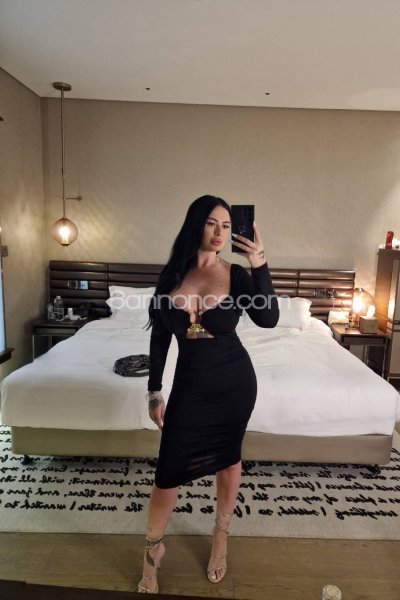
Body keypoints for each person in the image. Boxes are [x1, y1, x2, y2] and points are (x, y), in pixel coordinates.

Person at [138, 195, 279, 594]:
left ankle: (220, 536)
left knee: (228, 461)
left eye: (226, 225)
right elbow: (160, 338)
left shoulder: (237, 276)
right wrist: (154, 391)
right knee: (167, 474)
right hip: (190, 387)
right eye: (212, 223)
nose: (220, 233)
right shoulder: (170, 278)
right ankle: (152, 550)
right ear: (196, 224)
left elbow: (268, 318)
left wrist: (259, 262)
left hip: (235, 384)